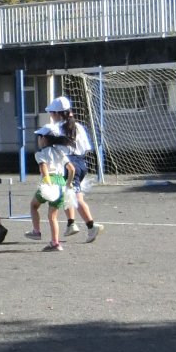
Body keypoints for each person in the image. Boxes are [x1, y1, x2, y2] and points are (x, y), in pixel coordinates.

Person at [46, 97, 105, 243]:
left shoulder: (56, 129)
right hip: (81, 162)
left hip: (68, 164)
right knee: (67, 193)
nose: (51, 115)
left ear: (58, 113)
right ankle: (71, 223)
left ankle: (91, 226)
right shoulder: (78, 126)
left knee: (77, 198)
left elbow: (55, 150)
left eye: (52, 112)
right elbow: (86, 147)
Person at [26, 124, 75, 251]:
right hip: (61, 182)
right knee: (53, 216)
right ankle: (55, 243)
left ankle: (36, 231)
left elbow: (44, 169)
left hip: (50, 180)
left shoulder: (40, 153)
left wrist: (48, 183)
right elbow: (71, 169)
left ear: (44, 138)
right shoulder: (60, 152)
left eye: (39, 137)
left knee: (33, 205)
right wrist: (69, 183)